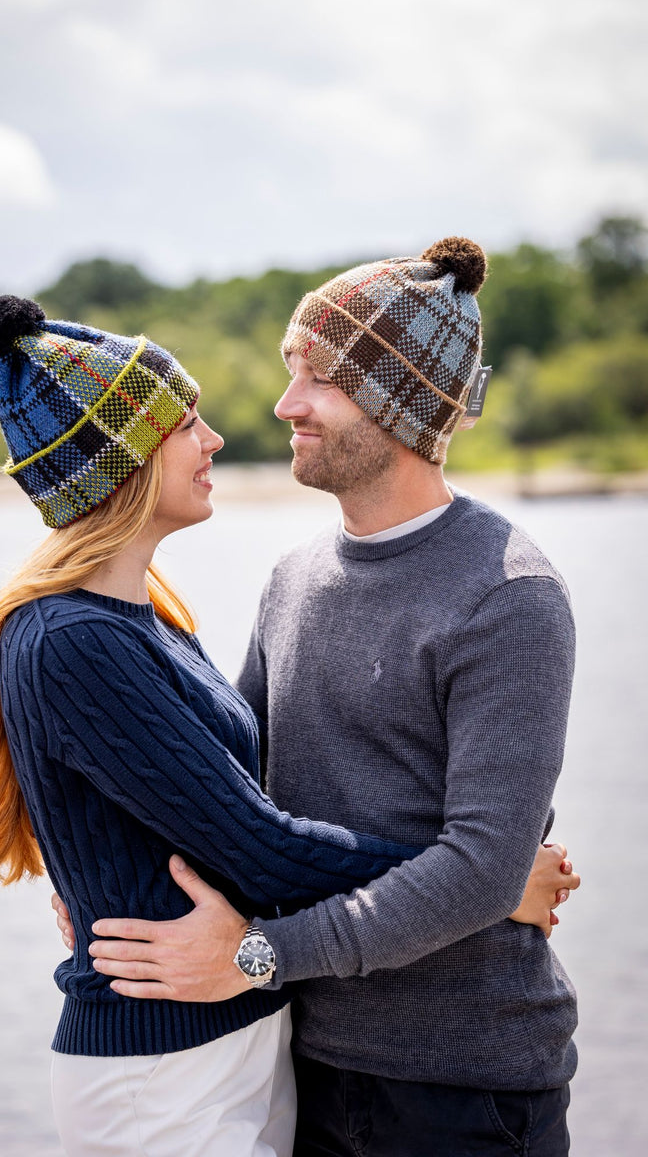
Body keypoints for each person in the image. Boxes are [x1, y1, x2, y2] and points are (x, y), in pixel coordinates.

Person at [67, 238, 581, 1157]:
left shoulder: (509, 595)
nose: (283, 404)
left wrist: (256, 957)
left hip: (463, 1093)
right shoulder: (294, 577)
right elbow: (228, 791)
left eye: (317, 379)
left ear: (396, 402)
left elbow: (479, 868)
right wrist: (102, 877)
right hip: (310, 1064)